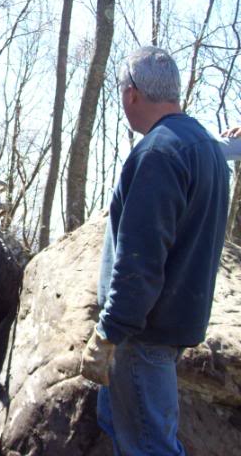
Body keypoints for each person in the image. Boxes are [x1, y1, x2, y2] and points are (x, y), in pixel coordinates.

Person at [80, 46, 230, 455]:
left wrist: (110, 331)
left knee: (150, 446)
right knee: (117, 422)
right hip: (173, 322)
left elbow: (140, 258)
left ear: (131, 94)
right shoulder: (206, 149)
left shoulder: (158, 153)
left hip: (141, 331)